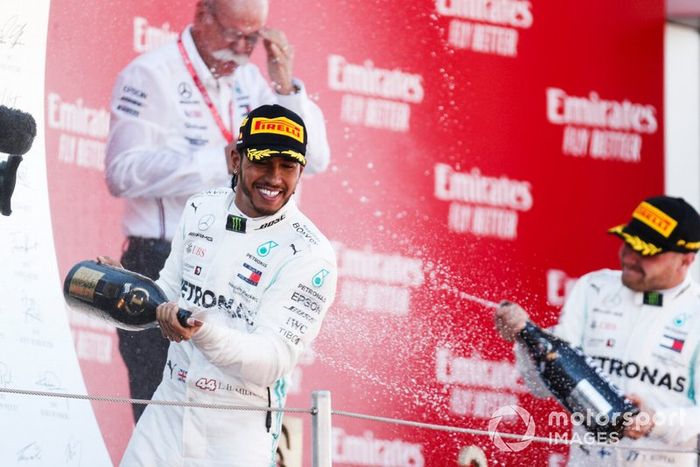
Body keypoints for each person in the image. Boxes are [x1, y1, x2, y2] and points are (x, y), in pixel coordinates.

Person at [104, 0, 331, 421]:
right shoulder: (151, 74)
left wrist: (284, 89)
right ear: (203, 16)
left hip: (232, 265)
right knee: (162, 417)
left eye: (253, 37)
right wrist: (217, 161)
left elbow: (313, 159)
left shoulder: (250, 81)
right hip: (161, 262)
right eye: (235, 34)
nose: (244, 49)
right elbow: (121, 172)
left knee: (222, 417)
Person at [113, 104, 337, 466]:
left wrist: (197, 330)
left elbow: (271, 360)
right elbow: (167, 293)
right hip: (168, 412)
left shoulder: (312, 253)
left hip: (236, 432)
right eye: (263, 161)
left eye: (288, 166)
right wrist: (123, 284)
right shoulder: (201, 208)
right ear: (236, 158)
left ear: (301, 170)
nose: (275, 178)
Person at [495, 195, 700, 466]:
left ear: (686, 259)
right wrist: (523, 338)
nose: (628, 257)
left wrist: (654, 422)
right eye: (627, 243)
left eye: (646, 252)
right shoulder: (593, 289)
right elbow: (542, 387)